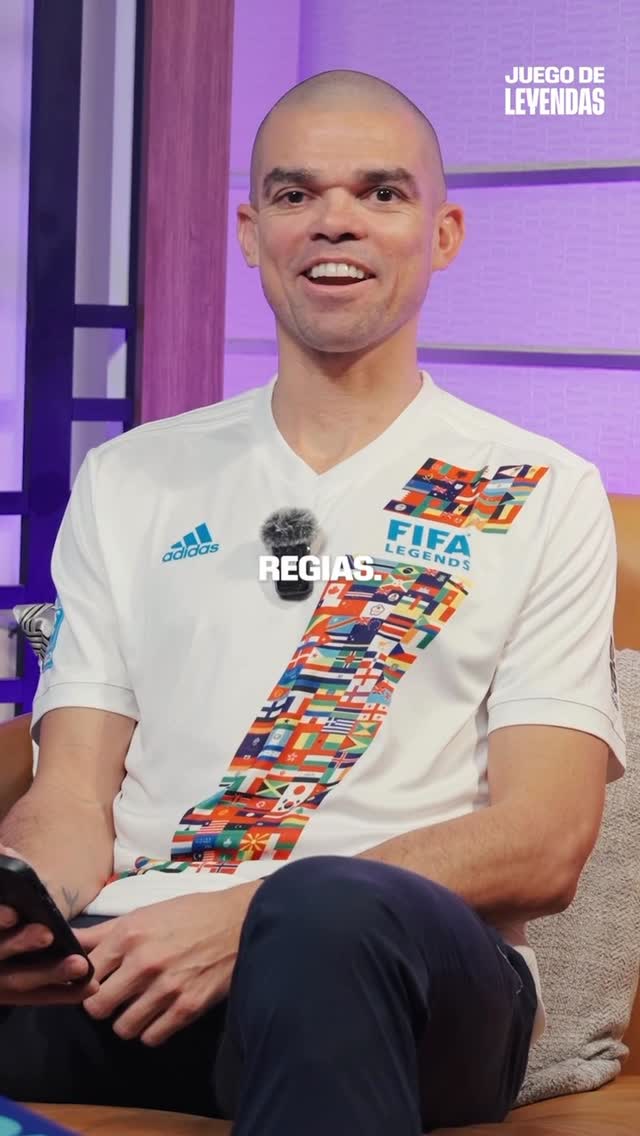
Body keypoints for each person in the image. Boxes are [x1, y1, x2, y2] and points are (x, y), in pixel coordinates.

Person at [0, 68, 626, 1135]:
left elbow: (547, 838)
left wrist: (241, 915)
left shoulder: (538, 488)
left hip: (408, 973)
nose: (335, 220)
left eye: (381, 191)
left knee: (317, 910)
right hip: (137, 960)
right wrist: (31, 906)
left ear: (443, 234)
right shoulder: (134, 478)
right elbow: (71, 795)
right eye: (295, 194)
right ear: (252, 233)